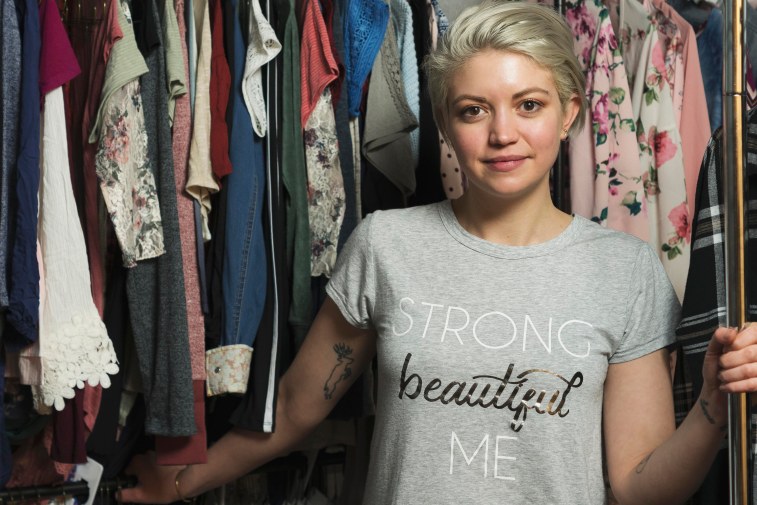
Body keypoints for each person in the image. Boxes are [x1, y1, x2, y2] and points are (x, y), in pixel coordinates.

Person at [119, 2, 757, 504]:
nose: (502, 133)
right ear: (446, 124)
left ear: (568, 113)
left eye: (529, 105)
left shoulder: (626, 271)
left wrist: (712, 404)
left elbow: (639, 486)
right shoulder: (387, 245)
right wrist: (180, 483)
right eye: (474, 110)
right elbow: (292, 409)